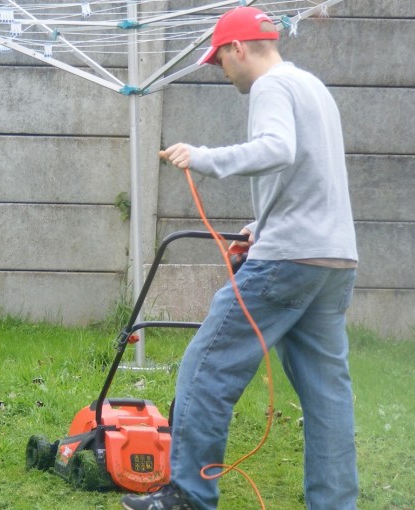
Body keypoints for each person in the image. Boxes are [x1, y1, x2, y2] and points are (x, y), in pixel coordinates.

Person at [122, 6, 358, 510]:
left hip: (289, 261)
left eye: (220, 60)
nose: (221, 71)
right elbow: (310, 172)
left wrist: (203, 157)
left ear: (238, 48)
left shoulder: (271, 87)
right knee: (327, 395)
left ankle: (188, 495)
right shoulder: (312, 86)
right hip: (334, 258)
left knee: (206, 368)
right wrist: (260, 226)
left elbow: (277, 149)